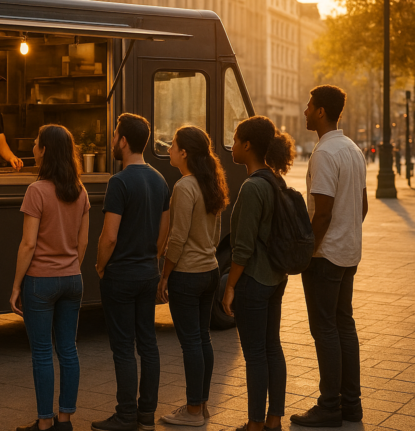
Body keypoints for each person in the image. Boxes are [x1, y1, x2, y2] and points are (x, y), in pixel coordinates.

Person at [290, 85, 367, 428]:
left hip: (325, 256)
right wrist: (346, 233)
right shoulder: (353, 149)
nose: (305, 111)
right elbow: (361, 205)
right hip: (349, 253)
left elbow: (321, 213)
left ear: (321, 111)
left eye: (309, 106)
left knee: (325, 328)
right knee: (344, 324)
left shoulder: (324, 154)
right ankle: (352, 405)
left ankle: (330, 405)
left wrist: (308, 250)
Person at [92, 113, 171, 431]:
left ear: (123, 141)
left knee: (123, 346)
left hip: (121, 275)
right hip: (147, 273)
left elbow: (109, 235)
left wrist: (100, 266)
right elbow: (164, 232)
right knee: (148, 343)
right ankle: (146, 414)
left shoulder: (119, 182)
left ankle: (125, 415)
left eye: (114, 136)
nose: (112, 141)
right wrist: (151, 259)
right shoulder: (159, 179)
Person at [10, 124, 91, 431]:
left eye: (35, 143)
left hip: (40, 282)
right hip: (73, 279)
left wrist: (17, 285)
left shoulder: (36, 191)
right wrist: (70, 266)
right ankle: (65, 420)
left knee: (42, 352)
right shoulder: (81, 191)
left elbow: (28, 244)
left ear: (45, 151)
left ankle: (45, 422)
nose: (32, 147)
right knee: (68, 348)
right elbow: (83, 243)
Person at [221, 116, 294, 431]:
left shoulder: (252, 187)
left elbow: (243, 248)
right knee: (272, 347)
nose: (233, 146)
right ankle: (273, 419)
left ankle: (254, 424)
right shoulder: (276, 180)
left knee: (254, 354)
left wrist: (229, 287)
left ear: (247, 145)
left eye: (236, 140)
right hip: (276, 277)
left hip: (253, 280)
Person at [157, 126, 229, 427]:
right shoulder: (210, 183)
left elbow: (177, 238)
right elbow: (214, 232)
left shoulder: (184, 187)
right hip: (210, 270)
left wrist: (164, 276)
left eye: (173, 145)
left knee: (190, 344)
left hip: (187, 274)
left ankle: (193, 411)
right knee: (202, 339)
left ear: (184, 152)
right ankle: (202, 404)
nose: (170, 149)